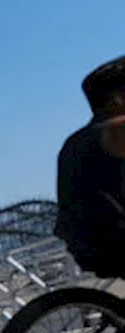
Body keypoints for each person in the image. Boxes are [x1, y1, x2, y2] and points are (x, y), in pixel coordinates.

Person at [55, 54, 125, 277]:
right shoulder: (115, 128)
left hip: (88, 244)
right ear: (116, 99)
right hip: (114, 240)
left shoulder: (74, 142)